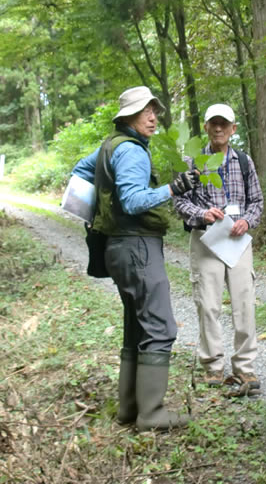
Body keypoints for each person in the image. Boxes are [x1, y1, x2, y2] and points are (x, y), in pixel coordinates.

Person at [71, 86, 199, 431]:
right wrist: (173, 188)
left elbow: (80, 172)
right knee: (160, 327)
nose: (153, 116)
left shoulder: (108, 147)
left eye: (154, 110)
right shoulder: (132, 151)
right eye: (145, 110)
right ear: (127, 116)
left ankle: (129, 409)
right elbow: (133, 201)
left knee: (136, 327)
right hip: (138, 246)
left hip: (118, 247)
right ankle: (151, 413)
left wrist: (96, 213)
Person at [173, 103, 264, 392]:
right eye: (214, 123)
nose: (219, 128)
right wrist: (202, 214)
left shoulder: (245, 162)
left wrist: (246, 222)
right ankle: (212, 367)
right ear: (206, 127)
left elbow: (257, 203)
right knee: (208, 305)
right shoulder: (192, 162)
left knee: (244, 305)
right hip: (205, 240)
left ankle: (245, 368)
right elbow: (178, 201)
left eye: (224, 124)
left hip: (237, 242)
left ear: (233, 129)